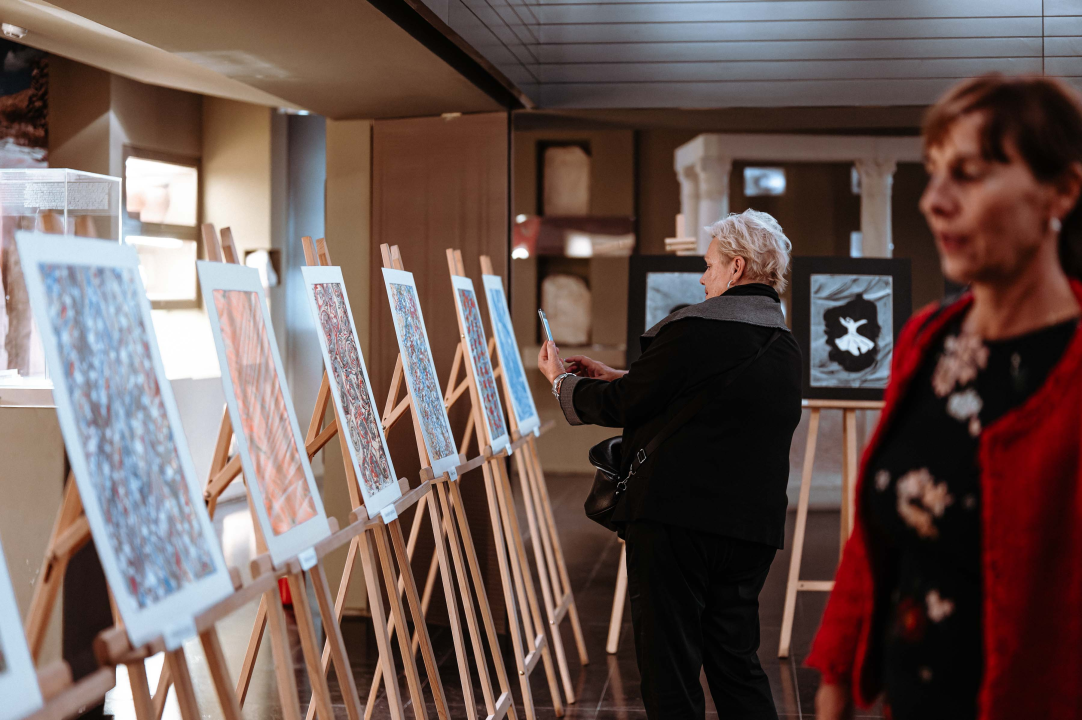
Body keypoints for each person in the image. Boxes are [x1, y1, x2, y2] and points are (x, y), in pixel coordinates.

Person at [809, 74, 1082, 720]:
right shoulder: (926, 340)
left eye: (970, 173)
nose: (935, 200)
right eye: (933, 173)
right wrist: (839, 671)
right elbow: (879, 524)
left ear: (1060, 192)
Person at [538, 209, 802, 720]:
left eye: (709, 266)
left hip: (676, 523)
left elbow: (626, 405)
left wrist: (560, 383)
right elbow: (697, 394)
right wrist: (620, 375)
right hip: (751, 530)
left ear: (736, 268)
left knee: (670, 670)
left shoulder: (696, 329)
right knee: (736, 665)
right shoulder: (784, 347)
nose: (703, 278)